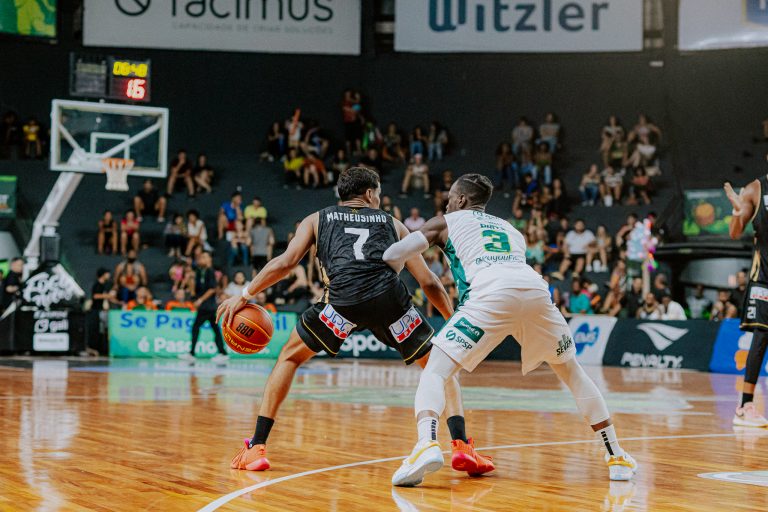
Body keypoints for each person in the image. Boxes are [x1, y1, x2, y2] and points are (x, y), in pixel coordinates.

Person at [219, 167, 488, 475]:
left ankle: (256, 448)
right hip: (390, 301)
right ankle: (461, 445)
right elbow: (428, 282)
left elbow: (285, 263)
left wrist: (245, 295)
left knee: (289, 358)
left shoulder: (316, 219)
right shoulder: (392, 222)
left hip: (341, 303)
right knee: (441, 368)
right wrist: (452, 320)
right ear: (370, 194)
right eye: (379, 194)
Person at [382, 173, 636, 486]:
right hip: (535, 291)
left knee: (435, 371)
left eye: (449, 198)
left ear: (461, 199)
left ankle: (426, 444)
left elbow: (393, 254)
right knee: (573, 373)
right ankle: (617, 457)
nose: (446, 204)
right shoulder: (510, 229)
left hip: (490, 293)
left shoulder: (444, 221)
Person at [725, 170, 768, 427]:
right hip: (764, 277)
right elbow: (734, 232)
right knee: (762, 337)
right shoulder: (756, 189)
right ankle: (745, 406)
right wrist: (737, 211)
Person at [179, 251, 229, 363]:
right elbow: (195, 289)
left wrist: (200, 300)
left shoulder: (210, 272)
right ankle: (222, 353)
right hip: (206, 307)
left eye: (204, 257)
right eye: (200, 257)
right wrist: (191, 285)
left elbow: (212, 289)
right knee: (215, 329)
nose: (201, 259)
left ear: (209, 260)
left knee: (196, 327)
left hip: (208, 306)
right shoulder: (198, 271)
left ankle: (192, 353)